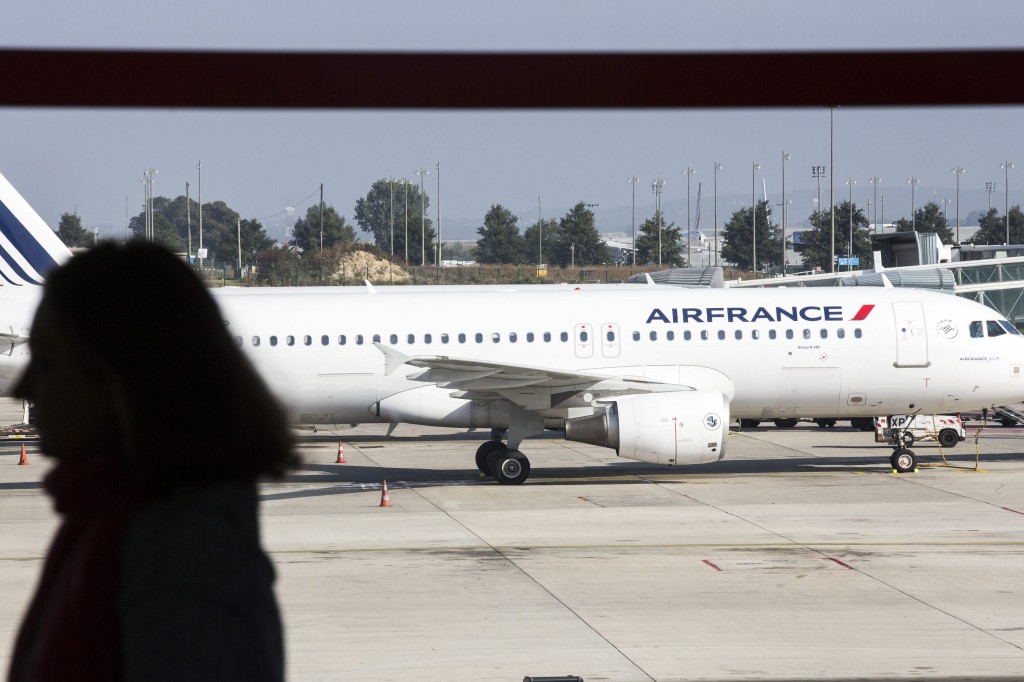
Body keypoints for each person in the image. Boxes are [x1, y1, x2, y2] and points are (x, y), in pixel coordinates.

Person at [9, 242, 296, 681]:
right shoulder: (105, 522)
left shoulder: (178, 558)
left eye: (47, 363)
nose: (22, 388)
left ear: (117, 382)